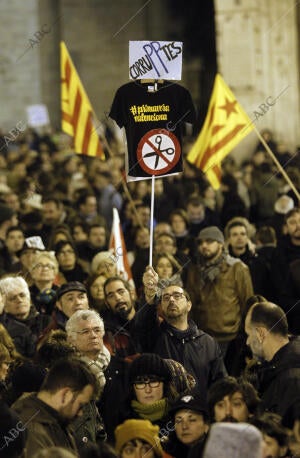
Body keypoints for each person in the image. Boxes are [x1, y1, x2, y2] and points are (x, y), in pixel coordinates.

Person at [137, 270, 227, 399]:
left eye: (177, 296)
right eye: (166, 298)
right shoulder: (154, 337)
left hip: (200, 413)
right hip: (167, 413)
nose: (171, 300)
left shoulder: (208, 342)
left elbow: (220, 384)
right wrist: (149, 295)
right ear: (161, 307)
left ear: (189, 305)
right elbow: (143, 324)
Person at [186, 225, 253, 372]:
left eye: (209, 241)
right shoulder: (194, 269)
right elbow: (189, 303)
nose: (204, 246)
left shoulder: (237, 268)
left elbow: (247, 303)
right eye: (201, 242)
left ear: (221, 244)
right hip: (201, 336)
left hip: (230, 337)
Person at [12, 358, 98, 456]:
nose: (81, 413)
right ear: (65, 395)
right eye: (80, 405)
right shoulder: (33, 430)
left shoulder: (54, 421)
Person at [244, 301, 300, 417]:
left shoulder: (291, 379)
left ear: (260, 333)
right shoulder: (276, 368)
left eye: (248, 334)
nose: (247, 342)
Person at [0, 276, 50, 357]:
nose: (19, 300)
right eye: (12, 298)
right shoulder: (2, 329)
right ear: (4, 304)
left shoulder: (47, 321)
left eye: (22, 295)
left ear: (29, 297)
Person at [270, 207, 300, 334]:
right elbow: (280, 291)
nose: (298, 225)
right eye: (293, 222)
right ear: (286, 228)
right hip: (293, 319)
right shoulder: (279, 254)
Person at [29, 250, 60, 315]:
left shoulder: (61, 293)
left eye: (48, 266)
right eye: (39, 265)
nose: (45, 269)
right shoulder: (26, 294)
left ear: (55, 272)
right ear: (32, 272)